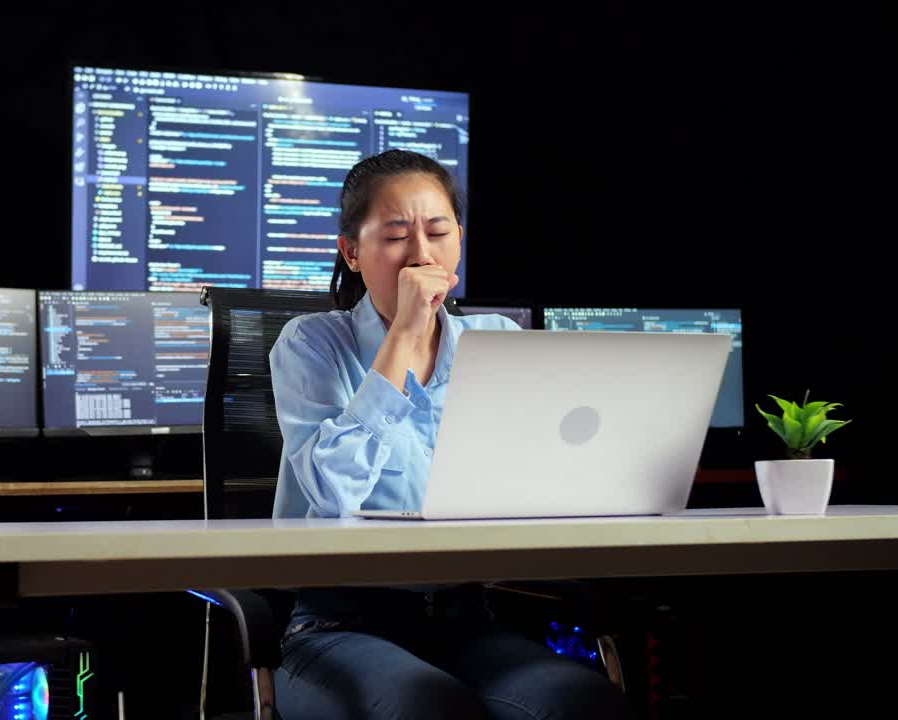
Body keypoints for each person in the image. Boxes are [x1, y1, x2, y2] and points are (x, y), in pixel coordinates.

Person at [268, 149, 631, 720]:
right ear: (352, 252)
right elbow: (332, 493)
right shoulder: (311, 343)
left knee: (584, 703)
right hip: (339, 624)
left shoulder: (495, 340)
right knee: (429, 707)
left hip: (469, 622)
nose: (420, 253)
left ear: (458, 241)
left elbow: (541, 480)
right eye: (395, 236)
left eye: (438, 231)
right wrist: (408, 332)